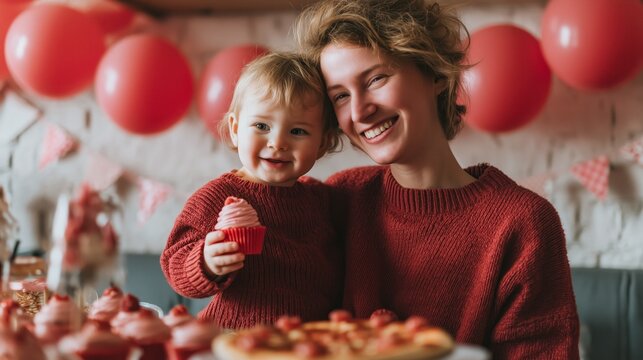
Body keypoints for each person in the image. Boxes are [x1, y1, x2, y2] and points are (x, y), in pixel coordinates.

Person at [295, 0, 580, 358]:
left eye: (376, 79)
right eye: (340, 96)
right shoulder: (342, 198)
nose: (359, 111)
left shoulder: (522, 223)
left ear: (436, 75)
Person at [160, 52, 343, 329]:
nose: (277, 142)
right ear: (235, 129)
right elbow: (175, 263)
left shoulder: (321, 201)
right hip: (235, 336)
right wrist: (206, 262)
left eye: (298, 131)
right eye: (261, 126)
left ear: (322, 143)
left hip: (306, 341)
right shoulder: (219, 196)